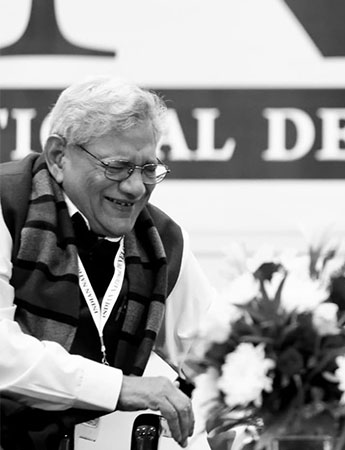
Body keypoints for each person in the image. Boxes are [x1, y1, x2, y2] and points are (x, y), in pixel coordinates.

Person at [0, 76, 215, 449]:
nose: (135, 188)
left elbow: (214, 347)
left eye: (148, 169)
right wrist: (118, 388)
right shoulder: (7, 204)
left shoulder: (160, 240)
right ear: (57, 157)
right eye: (117, 167)